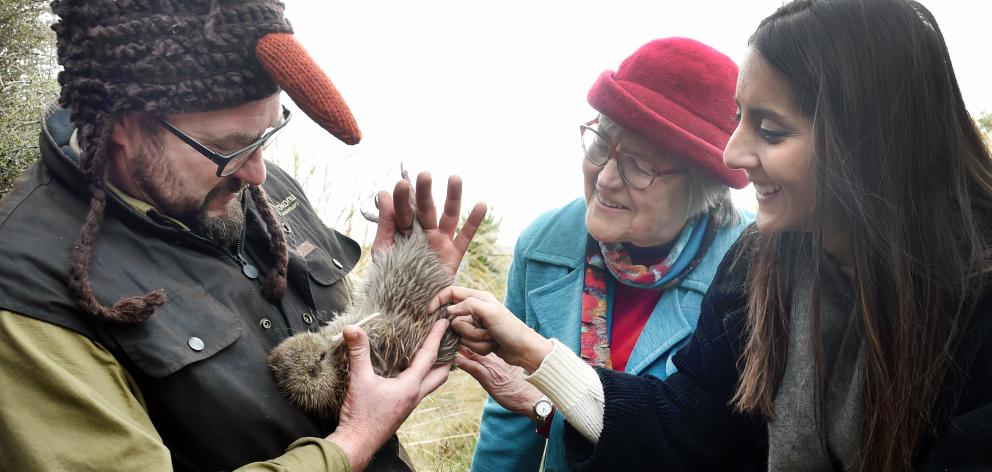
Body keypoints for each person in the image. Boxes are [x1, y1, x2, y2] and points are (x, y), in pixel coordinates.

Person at [443, 0, 992, 470]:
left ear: (870, 142)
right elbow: (689, 423)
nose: (732, 155)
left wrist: (542, 403)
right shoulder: (762, 267)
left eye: (771, 131)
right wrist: (538, 356)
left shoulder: (976, 308)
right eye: (737, 120)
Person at [0, 1, 485, 471]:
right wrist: (351, 445)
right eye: (227, 147)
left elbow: (327, 351)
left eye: (267, 136)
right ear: (123, 126)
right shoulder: (25, 287)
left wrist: (395, 296)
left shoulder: (252, 183)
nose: (257, 173)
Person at [463, 38, 753, 472]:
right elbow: (510, 416)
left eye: (638, 166)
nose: (606, 179)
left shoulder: (751, 267)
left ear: (702, 189)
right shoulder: (543, 245)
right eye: (601, 144)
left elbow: (713, 439)